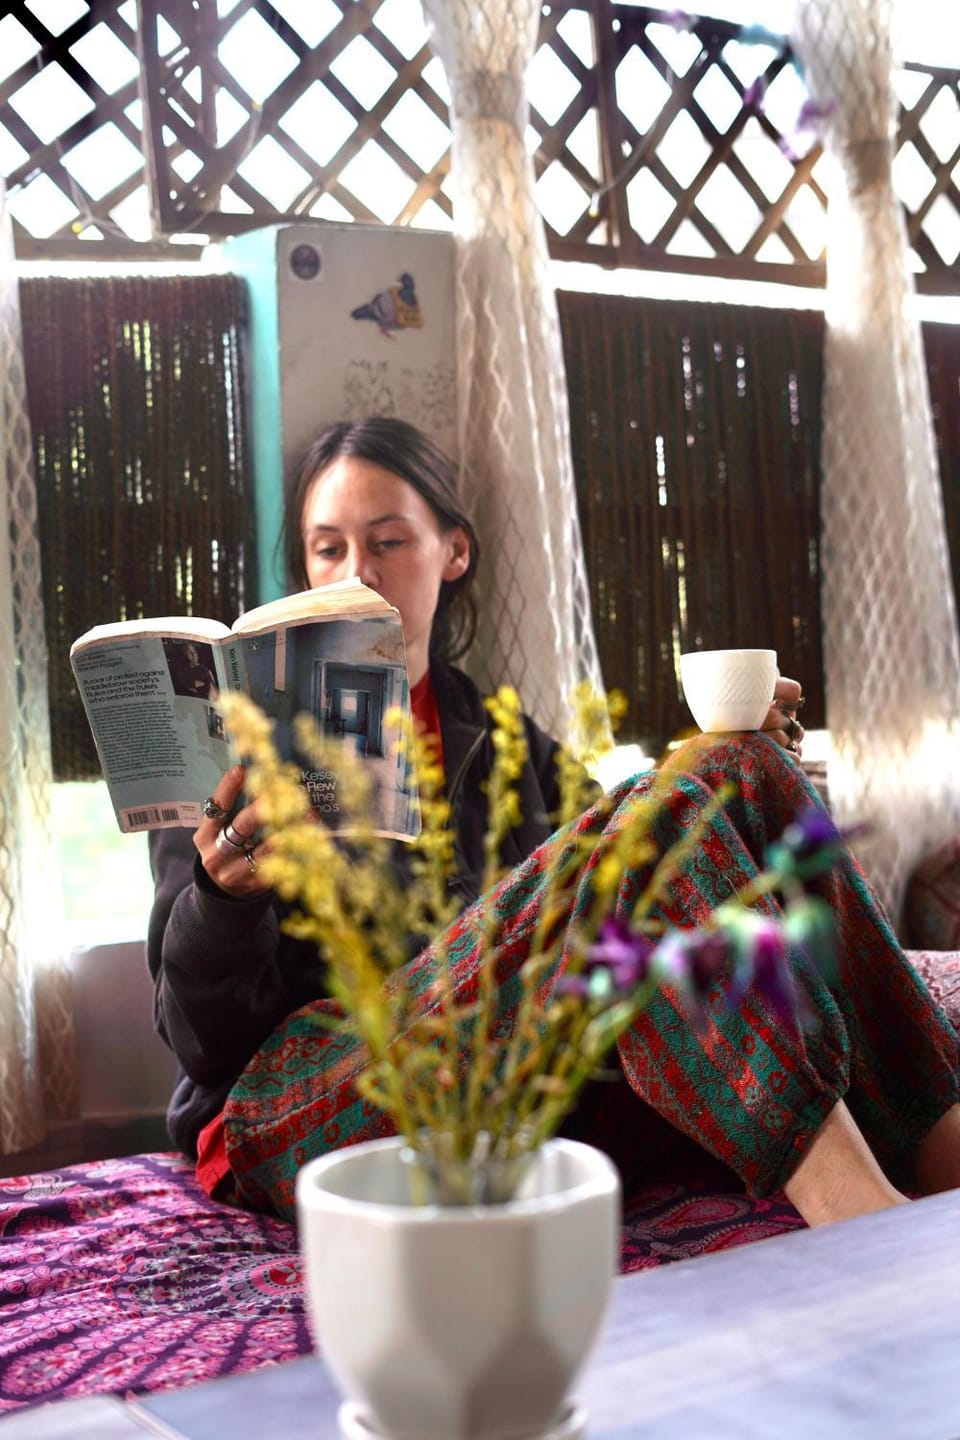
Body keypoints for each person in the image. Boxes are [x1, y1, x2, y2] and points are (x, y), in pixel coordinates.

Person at [148, 417, 960, 1229]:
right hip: (301, 1101)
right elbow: (202, 1043)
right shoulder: (244, 745)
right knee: (677, 807)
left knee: (736, 770)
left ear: (453, 553)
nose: (356, 572)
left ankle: (942, 1147)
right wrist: (223, 900)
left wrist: (730, 769)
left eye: (388, 541)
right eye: (328, 549)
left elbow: (630, 880)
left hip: (500, 1080)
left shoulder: (505, 746)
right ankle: (859, 1218)